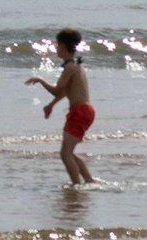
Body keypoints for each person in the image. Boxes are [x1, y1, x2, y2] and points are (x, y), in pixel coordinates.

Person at [28, 27, 97, 185]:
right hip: (85, 110)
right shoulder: (76, 65)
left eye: (57, 45)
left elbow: (57, 90)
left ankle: (76, 185)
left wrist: (40, 79)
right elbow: (66, 91)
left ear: (63, 46)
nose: (55, 48)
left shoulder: (70, 67)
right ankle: (89, 180)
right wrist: (51, 105)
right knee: (69, 153)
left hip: (80, 111)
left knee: (65, 154)